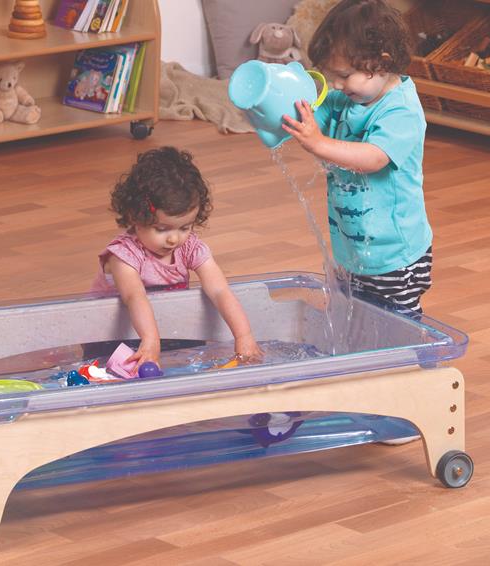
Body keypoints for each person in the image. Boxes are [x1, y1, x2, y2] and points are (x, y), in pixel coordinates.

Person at [281, 0, 433, 316]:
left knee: (401, 325)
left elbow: (373, 157)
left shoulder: (400, 110)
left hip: (393, 255)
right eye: (331, 75)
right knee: (355, 316)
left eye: (344, 75)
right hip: (351, 249)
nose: (335, 84)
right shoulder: (343, 98)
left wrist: (319, 143)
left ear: (381, 62)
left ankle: (419, 365)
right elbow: (306, 119)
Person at [91, 146, 263, 371]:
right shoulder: (123, 255)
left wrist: (244, 336)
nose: (173, 239)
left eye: (185, 227)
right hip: (115, 337)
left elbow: (220, 290)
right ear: (135, 216)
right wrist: (151, 340)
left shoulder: (190, 247)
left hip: (172, 328)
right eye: (162, 229)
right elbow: (135, 296)